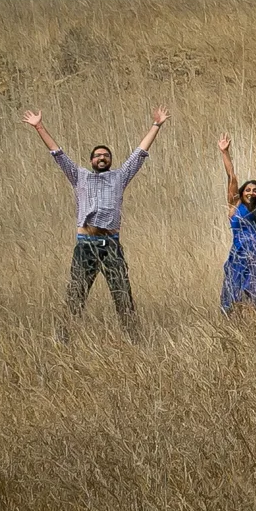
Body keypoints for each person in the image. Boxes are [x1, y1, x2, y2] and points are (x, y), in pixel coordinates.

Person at [23, 106, 167, 340]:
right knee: (76, 293)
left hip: (110, 243)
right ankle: (63, 340)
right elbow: (57, 154)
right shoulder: (80, 176)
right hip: (86, 243)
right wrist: (39, 126)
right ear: (91, 160)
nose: (102, 157)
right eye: (98, 155)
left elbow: (139, 153)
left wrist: (157, 125)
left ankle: (135, 339)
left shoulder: (119, 177)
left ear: (110, 160)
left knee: (122, 292)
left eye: (106, 155)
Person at [217, 135, 256, 315]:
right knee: (234, 299)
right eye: (248, 189)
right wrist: (225, 152)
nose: (251, 192)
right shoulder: (235, 207)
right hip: (238, 256)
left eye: (255, 190)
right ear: (242, 193)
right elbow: (232, 177)